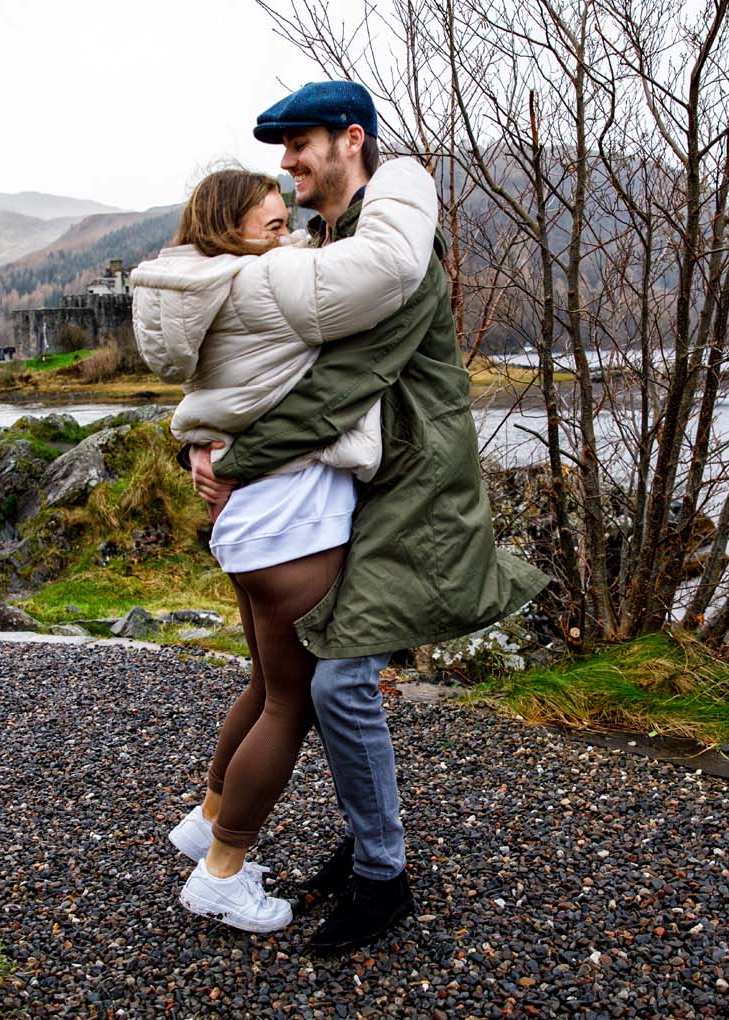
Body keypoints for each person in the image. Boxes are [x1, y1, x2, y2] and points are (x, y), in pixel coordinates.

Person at [191, 81, 550, 953]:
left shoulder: (395, 260)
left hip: (415, 498)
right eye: (280, 149)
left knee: (340, 683)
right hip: (359, 493)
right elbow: (263, 375)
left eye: (298, 143)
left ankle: (382, 875)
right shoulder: (335, 246)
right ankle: (356, 845)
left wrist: (234, 466)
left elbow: (341, 386)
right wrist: (200, 443)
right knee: (316, 679)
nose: (286, 162)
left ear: (351, 141)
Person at [131, 157, 440, 933]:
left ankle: (207, 818)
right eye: (271, 226)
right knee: (292, 705)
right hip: (293, 526)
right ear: (230, 232)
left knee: (266, 689)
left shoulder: (202, 286)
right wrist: (403, 179)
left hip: (251, 529)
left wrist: (206, 449)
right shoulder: (264, 283)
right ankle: (223, 869)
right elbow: (387, 268)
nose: (288, 237)